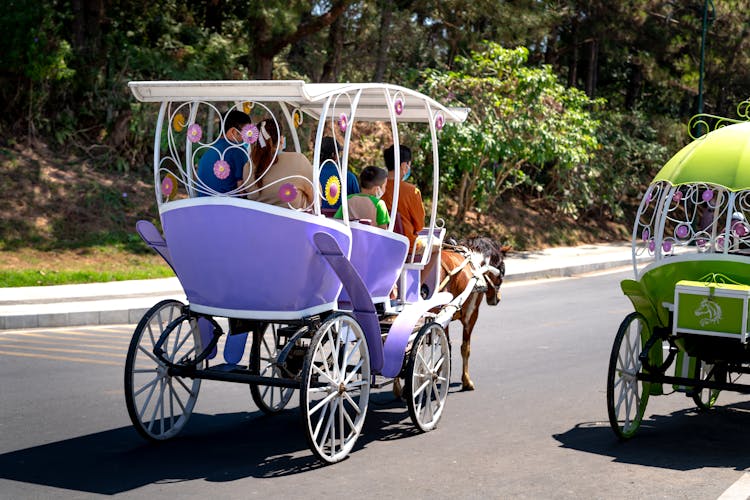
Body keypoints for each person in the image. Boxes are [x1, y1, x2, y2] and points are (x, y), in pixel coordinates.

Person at [246, 119, 314, 209]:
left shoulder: (248, 167)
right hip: (293, 221)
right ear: (281, 140)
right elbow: (316, 197)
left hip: (256, 221)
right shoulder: (299, 160)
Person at [196, 110, 252, 196]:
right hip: (226, 206)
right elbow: (242, 190)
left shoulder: (209, 151)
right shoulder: (238, 150)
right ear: (234, 132)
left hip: (201, 205)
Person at [382, 144, 425, 249]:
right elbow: (419, 226)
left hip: (382, 242)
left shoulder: (376, 187)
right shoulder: (412, 192)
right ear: (404, 165)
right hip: (407, 245)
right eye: (409, 165)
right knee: (437, 245)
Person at [319, 136, 360, 213]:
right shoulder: (349, 177)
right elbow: (356, 206)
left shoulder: (310, 174)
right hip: (340, 222)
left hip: (312, 220)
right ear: (334, 155)